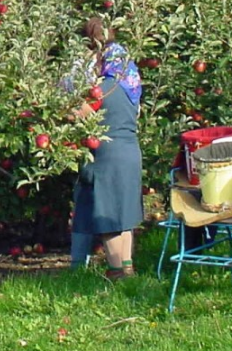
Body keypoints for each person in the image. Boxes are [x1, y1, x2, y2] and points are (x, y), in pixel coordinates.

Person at [69, 17, 144, 279]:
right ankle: (127, 268)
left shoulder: (101, 90)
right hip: (131, 152)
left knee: (110, 217)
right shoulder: (129, 82)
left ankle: (116, 275)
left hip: (107, 156)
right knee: (124, 214)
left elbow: (82, 114)